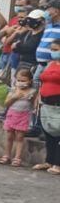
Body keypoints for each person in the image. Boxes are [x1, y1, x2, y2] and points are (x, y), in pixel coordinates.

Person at [0, 67, 35, 166]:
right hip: (12, 114)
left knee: (20, 137)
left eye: (23, 81)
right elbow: (6, 103)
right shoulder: (13, 90)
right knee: (9, 136)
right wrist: (14, 97)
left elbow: (34, 105)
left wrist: (30, 98)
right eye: (19, 80)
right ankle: (7, 155)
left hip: (24, 115)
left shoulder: (32, 91)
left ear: (30, 81)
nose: (20, 83)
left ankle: (17, 157)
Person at [34, 39, 60, 173]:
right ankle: (49, 161)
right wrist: (38, 97)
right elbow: (42, 81)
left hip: (58, 103)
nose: (53, 52)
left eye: (56, 49)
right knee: (49, 134)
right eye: (52, 49)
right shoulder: (51, 64)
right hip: (46, 103)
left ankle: (58, 164)